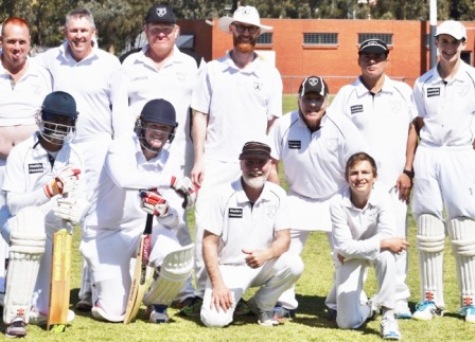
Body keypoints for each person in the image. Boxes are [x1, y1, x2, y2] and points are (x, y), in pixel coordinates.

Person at [184, 5, 283, 316]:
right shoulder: (211, 70)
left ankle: (241, 291)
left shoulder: (269, 73)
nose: (246, 33)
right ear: (231, 30)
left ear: (257, 34)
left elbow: (273, 125)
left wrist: (271, 167)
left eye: (251, 29)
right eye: (240, 27)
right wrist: (199, 159)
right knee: (206, 227)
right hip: (216, 160)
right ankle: (204, 293)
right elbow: (199, 116)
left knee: (252, 228)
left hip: (254, 164)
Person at [35, 8, 127, 310]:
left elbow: (121, 113)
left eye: (83, 31)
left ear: (93, 33)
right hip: (63, 147)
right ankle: (48, 290)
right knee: (60, 213)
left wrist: (121, 149)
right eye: (73, 31)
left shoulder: (111, 64)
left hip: (100, 147)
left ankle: (91, 291)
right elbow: (17, 58)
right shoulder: (50, 59)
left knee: (96, 221)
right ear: (65, 32)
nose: (78, 36)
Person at [81, 98, 194, 324]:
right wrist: (170, 180)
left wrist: (164, 211)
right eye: (153, 126)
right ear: (141, 125)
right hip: (106, 233)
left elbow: (174, 222)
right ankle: (94, 282)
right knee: (112, 314)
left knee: (177, 257)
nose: (158, 133)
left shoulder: (171, 159)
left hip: (144, 233)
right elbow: (125, 179)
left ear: (171, 132)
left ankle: (156, 302)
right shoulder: (119, 147)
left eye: (164, 128)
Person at [329, 38, 418, 319]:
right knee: (350, 244)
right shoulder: (346, 95)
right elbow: (335, 137)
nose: (372, 61)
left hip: (393, 182)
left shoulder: (403, 92)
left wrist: (407, 169)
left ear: (386, 58)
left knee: (395, 239)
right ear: (358, 58)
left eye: (377, 55)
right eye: (366, 55)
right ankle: (348, 294)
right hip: (357, 185)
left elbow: (412, 131)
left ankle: (397, 297)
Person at [268, 76, 367, 319]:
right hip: (297, 198)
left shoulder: (341, 124)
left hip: (336, 197)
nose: (313, 104)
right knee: (285, 252)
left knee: (344, 254)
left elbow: (358, 163)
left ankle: (342, 302)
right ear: (299, 99)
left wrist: (355, 202)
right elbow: (271, 162)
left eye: (318, 99)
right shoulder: (284, 124)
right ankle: (283, 302)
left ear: (327, 100)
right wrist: (278, 199)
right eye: (308, 98)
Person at [121, 5, 199, 306]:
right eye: (155, 27)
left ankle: (183, 288)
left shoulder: (191, 65)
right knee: (131, 217)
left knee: (176, 220)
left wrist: (198, 159)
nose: (161, 32)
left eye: (167, 28)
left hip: (178, 158)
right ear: (146, 30)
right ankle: (129, 280)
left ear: (176, 31)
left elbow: (199, 115)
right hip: (138, 158)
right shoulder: (130, 64)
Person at [1, 91, 87, 338]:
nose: (58, 127)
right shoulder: (22, 152)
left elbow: (83, 198)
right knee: (30, 227)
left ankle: (28, 301)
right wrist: (48, 191)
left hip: (53, 227)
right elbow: (14, 204)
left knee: (44, 309)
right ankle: (16, 315)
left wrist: (75, 211)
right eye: (53, 119)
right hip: (15, 220)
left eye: (64, 121)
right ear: (42, 117)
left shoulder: (75, 155)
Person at [411, 20, 475, 323]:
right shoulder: (423, 82)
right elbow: (417, 124)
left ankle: (470, 301)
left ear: (463, 44)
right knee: (427, 225)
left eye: (454, 42)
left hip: (461, 155)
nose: (448, 48)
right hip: (429, 153)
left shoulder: (473, 79)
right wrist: (409, 166)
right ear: (436, 43)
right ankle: (430, 300)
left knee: (464, 227)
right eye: (443, 42)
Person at [200, 141, 303, 327]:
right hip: (228, 268)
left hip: (262, 264)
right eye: (249, 162)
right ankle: (231, 300)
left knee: (294, 264)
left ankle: (262, 305)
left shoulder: (278, 194)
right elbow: (209, 242)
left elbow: (284, 238)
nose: (255, 168)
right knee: (214, 321)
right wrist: (218, 284)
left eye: (261, 162)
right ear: (241, 164)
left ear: (270, 164)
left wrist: (266, 254)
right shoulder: (223, 194)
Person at [0, 16, 52, 298]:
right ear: (1, 43)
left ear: (29, 43)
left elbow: (49, 118)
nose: (17, 48)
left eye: (22, 42)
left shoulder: (42, 73)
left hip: (32, 168)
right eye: (11, 42)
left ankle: (28, 291)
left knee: (28, 228)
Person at [331, 152, 408, 340]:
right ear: (347, 176)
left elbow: (387, 234)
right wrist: (381, 242)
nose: (360, 178)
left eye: (365, 172)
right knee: (346, 323)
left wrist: (353, 249)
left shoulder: (384, 197)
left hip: (373, 254)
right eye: (354, 173)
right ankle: (372, 307)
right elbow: (343, 246)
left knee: (388, 255)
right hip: (350, 256)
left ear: (375, 176)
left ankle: (389, 316)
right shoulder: (336, 202)